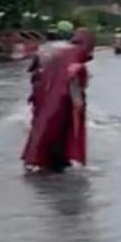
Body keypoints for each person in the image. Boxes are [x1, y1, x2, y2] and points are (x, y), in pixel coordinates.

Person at [22, 29, 96, 173]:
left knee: (42, 126)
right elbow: (73, 74)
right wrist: (78, 101)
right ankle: (55, 162)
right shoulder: (75, 54)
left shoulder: (47, 50)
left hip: (43, 94)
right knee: (60, 129)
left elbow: (33, 70)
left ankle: (37, 160)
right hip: (62, 97)